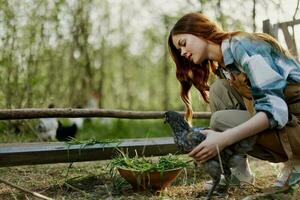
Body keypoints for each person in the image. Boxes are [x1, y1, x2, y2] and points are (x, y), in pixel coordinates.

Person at [168, 12, 300, 188]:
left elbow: (275, 111)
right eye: (179, 50)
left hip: (294, 122)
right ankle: (240, 173)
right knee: (219, 90)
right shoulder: (224, 65)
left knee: (220, 120)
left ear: (200, 30)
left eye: (183, 44)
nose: (183, 52)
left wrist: (223, 139)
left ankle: (297, 163)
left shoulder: (242, 46)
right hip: (289, 123)